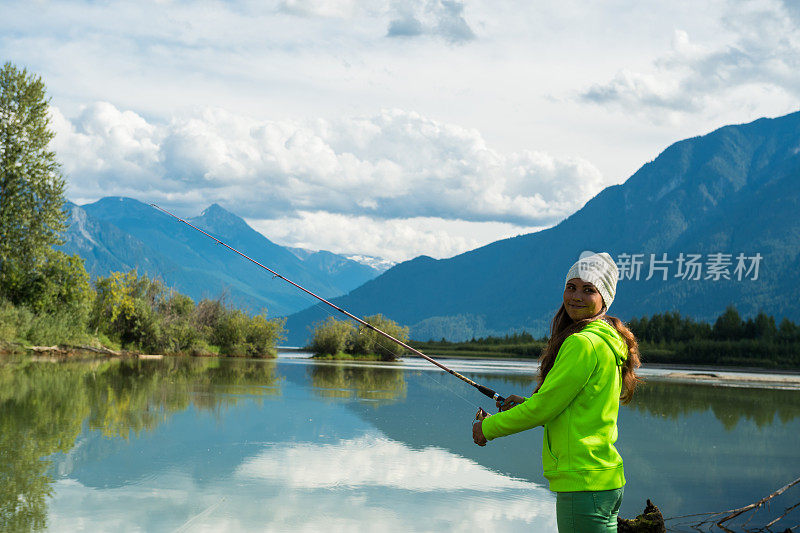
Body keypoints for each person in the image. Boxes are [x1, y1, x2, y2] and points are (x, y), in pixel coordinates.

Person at [472, 252, 642, 533]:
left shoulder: (583, 343)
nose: (576, 296)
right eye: (571, 287)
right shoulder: (605, 341)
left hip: (584, 484)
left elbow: (545, 408)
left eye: (588, 290)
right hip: (603, 480)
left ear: (604, 298)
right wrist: (528, 404)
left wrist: (487, 428)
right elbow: (570, 406)